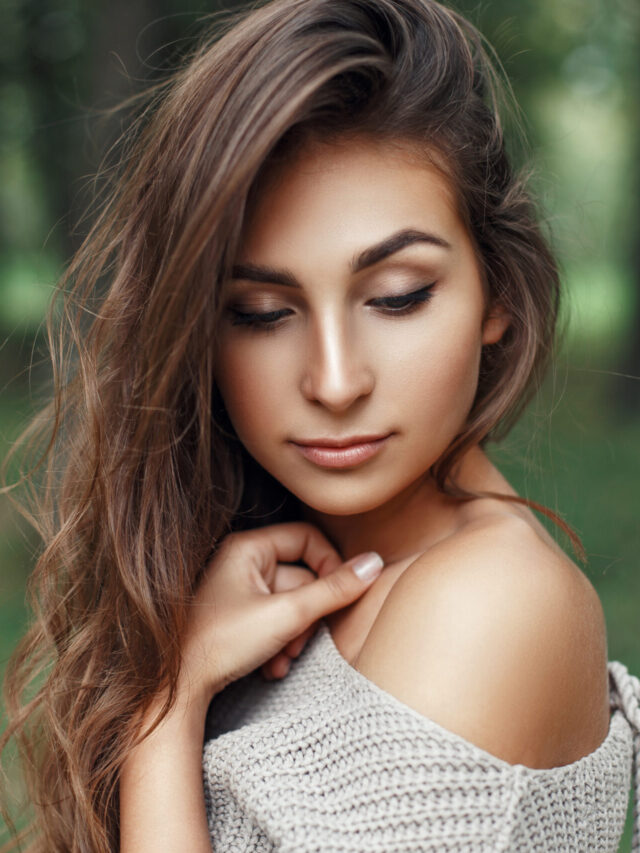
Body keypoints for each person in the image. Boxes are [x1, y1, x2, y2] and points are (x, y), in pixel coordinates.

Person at [1, 0, 639, 850]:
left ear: (498, 294)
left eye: (397, 296)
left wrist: (167, 710)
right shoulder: (256, 573)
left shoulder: (492, 604)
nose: (334, 381)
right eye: (262, 311)